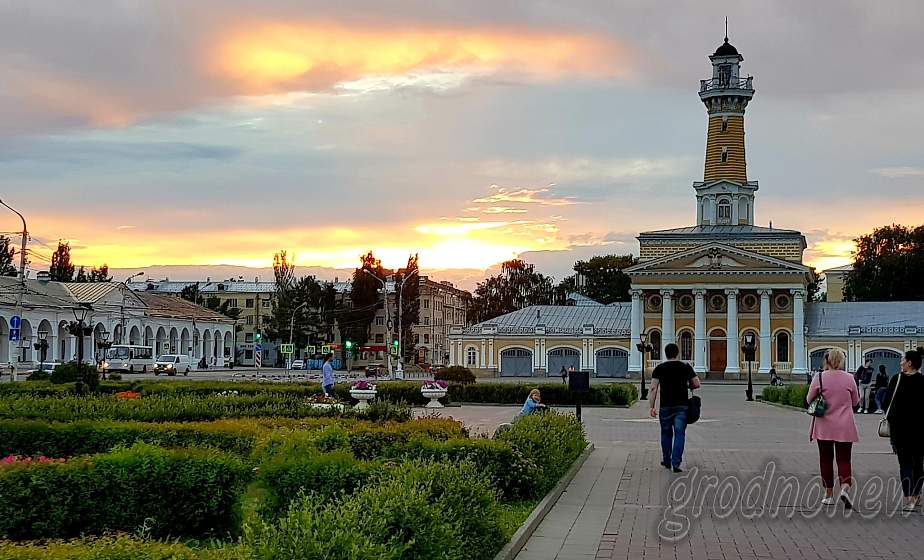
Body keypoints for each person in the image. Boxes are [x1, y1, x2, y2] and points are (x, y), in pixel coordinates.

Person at [806, 348, 859, 508]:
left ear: (826, 361)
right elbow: (856, 401)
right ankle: (844, 488)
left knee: (826, 459)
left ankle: (828, 494)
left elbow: (809, 399)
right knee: (844, 459)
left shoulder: (819, 377)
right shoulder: (850, 378)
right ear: (842, 361)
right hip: (844, 426)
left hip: (824, 426)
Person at [881, 347, 924, 512]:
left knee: (905, 463)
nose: (901, 363)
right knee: (919, 464)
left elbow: (886, 404)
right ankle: (916, 494)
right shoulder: (923, 381)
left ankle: (909, 499)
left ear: (910, 363)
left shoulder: (896, 379)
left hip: (900, 430)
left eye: (903, 360)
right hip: (921, 431)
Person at [648, 343, 700, 473]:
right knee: (679, 433)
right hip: (682, 406)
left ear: (666, 354)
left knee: (666, 433)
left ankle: (666, 460)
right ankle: (676, 463)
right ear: (678, 353)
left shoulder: (659, 368)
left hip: (665, 407)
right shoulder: (685, 367)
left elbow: (653, 388)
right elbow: (697, 383)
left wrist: (652, 407)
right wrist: (687, 386)